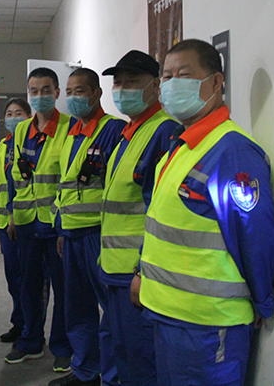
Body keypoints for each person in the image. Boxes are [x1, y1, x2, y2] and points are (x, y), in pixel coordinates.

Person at [134, 39, 274, 386]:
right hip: (167, 314)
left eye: (183, 75)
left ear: (215, 83)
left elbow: (255, 236)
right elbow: (163, 225)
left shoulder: (233, 152)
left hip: (209, 327)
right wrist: (142, 273)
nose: (171, 84)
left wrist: (263, 302)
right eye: (166, 76)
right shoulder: (180, 146)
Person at [99, 51, 179, 386]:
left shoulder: (163, 132)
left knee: (140, 358)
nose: (122, 90)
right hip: (113, 269)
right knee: (121, 352)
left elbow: (156, 210)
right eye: (118, 83)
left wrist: (142, 270)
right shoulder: (129, 133)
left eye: (132, 82)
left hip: (135, 273)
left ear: (155, 86)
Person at [50, 68, 125, 386]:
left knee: (112, 311)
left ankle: (113, 375)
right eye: (68, 92)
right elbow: (66, 184)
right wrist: (61, 229)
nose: (72, 98)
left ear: (96, 93)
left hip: (98, 234)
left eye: (79, 91)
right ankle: (85, 372)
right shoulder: (72, 133)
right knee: (77, 309)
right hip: (71, 235)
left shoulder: (113, 131)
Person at [6, 68, 73, 374]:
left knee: (62, 288)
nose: (39, 96)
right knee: (29, 285)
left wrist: (62, 224)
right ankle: (30, 340)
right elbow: (16, 176)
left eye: (46, 90)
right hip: (26, 222)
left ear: (57, 93)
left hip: (55, 223)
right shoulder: (21, 131)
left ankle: (63, 347)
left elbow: (70, 179)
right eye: (34, 91)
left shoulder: (70, 129)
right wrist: (12, 215)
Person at [0, 97, 32, 345]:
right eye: (9, 113)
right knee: (13, 277)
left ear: (29, 116)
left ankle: (30, 327)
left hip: (23, 220)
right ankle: (19, 323)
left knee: (29, 279)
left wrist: (15, 217)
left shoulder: (31, 144)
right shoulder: (2, 146)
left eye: (19, 113)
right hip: (3, 222)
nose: (13, 118)